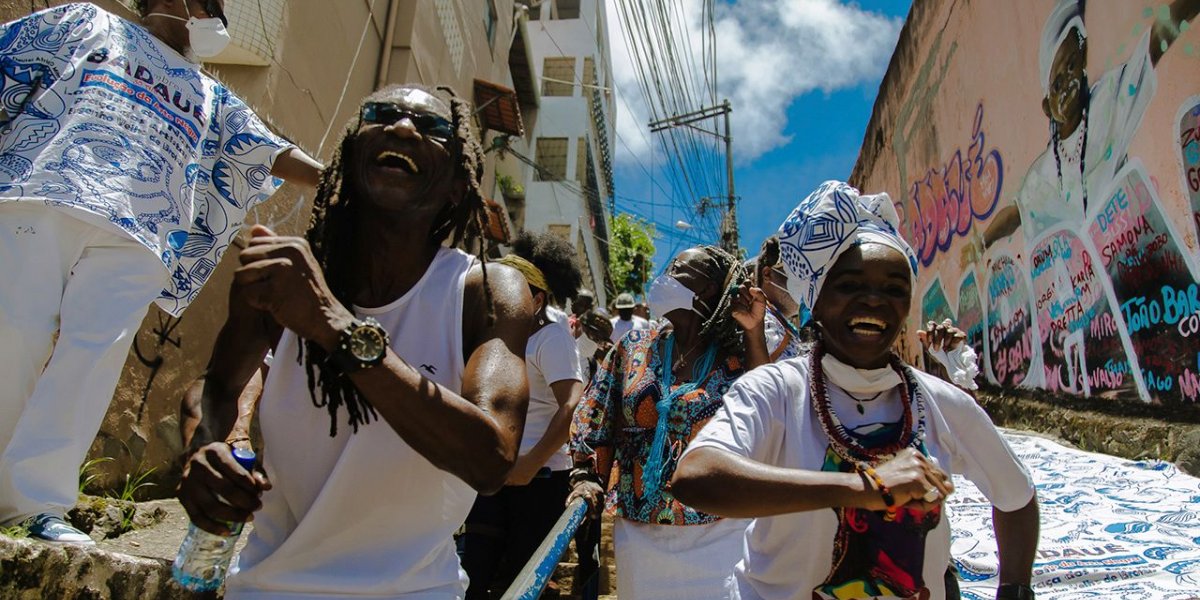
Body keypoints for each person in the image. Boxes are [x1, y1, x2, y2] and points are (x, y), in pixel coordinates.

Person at [177, 83, 532, 599]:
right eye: (380, 114)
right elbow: (216, 387)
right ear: (348, 154)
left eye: (432, 128)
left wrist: (335, 327)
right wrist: (206, 448)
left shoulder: (484, 291)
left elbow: (491, 459)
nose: (402, 127)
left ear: (458, 184)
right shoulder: (284, 275)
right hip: (265, 588)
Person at [0, 1, 323, 543]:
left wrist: (343, 180)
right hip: (44, 192)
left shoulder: (210, 93)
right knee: (15, 330)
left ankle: (32, 504)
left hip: (142, 233)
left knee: (91, 359)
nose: (214, 18)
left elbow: (267, 151)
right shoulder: (87, 22)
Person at [673, 181, 1040, 600]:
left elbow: (1017, 497)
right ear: (817, 296)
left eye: (894, 290)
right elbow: (695, 477)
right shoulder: (775, 390)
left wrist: (1015, 588)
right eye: (850, 285)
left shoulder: (940, 402)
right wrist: (870, 489)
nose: (873, 302)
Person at [568, 245, 778, 599]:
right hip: (639, 529)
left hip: (719, 529)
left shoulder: (736, 355)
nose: (664, 278)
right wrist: (586, 476)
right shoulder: (633, 346)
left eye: (678, 271)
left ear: (708, 288)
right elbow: (596, 413)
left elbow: (767, 412)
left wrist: (755, 334)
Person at [459, 231, 585, 599]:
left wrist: (531, 462)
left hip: (539, 479)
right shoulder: (488, 334)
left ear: (538, 298)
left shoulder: (552, 339)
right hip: (492, 474)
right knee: (475, 570)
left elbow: (572, 405)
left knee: (523, 574)